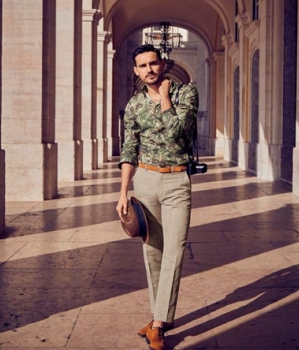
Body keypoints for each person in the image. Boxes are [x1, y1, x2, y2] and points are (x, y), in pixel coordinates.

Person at [116, 44, 198, 350]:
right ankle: (157, 319)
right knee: (152, 253)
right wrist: (124, 191)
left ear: (162, 64)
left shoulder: (185, 94)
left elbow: (180, 131)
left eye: (153, 63)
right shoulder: (134, 105)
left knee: (175, 251)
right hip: (146, 181)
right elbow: (129, 149)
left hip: (177, 180)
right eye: (142, 66)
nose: (149, 70)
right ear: (135, 71)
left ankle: (159, 323)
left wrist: (164, 97)